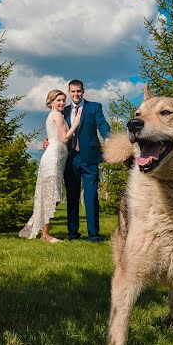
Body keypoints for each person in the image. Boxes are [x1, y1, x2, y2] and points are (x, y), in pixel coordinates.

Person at [19, 89, 81, 242]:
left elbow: (55, 136)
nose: (61, 103)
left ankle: (43, 231)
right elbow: (64, 138)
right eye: (58, 100)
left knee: (51, 196)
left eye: (63, 100)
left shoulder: (55, 116)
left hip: (57, 158)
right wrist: (76, 124)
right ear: (51, 102)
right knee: (52, 197)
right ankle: (45, 234)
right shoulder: (57, 115)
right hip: (53, 159)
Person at [62, 79, 110, 241]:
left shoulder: (94, 107)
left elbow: (102, 124)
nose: (76, 94)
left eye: (78, 91)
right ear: (69, 92)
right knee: (72, 195)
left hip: (90, 157)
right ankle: (73, 233)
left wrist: (108, 138)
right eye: (73, 91)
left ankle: (93, 234)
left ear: (83, 91)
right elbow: (58, 130)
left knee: (90, 196)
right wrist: (47, 140)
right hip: (70, 158)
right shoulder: (64, 110)